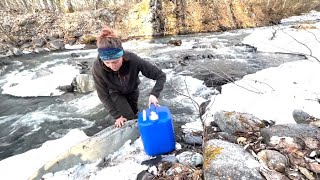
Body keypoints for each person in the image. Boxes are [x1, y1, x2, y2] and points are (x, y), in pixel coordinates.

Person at [92, 26, 166, 128]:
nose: (112, 66)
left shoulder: (133, 60)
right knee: (129, 119)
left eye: (115, 61)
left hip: (132, 89)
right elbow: (103, 94)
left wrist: (154, 94)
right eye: (107, 62)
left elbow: (160, 75)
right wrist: (117, 116)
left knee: (134, 113)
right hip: (115, 93)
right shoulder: (97, 67)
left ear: (121, 55)